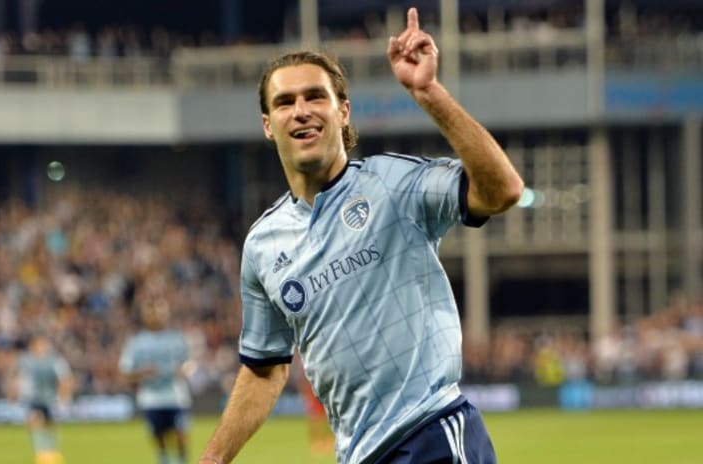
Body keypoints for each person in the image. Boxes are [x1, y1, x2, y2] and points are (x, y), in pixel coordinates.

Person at [199, 6, 523, 464]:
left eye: (316, 96)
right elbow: (264, 368)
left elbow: (503, 190)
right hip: (358, 455)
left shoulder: (394, 184)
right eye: (285, 102)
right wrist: (213, 458)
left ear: (343, 110)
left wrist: (429, 93)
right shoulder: (262, 245)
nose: (302, 111)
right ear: (268, 125)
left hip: (430, 434)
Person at [119, 298, 192, 464]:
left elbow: (189, 362)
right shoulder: (137, 342)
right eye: (152, 313)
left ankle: (182, 461)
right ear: (145, 316)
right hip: (151, 399)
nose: (157, 316)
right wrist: (143, 372)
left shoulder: (176, 338)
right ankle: (164, 460)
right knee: (158, 438)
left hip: (176, 396)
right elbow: (125, 371)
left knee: (181, 434)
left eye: (161, 312)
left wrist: (184, 370)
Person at [13, 333, 74, 464]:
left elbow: (65, 378)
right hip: (32, 399)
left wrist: (63, 397)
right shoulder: (26, 360)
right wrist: (15, 393)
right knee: (34, 422)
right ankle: (41, 453)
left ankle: (51, 452)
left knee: (48, 426)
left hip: (49, 399)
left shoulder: (54, 360)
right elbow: (18, 377)